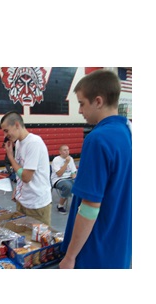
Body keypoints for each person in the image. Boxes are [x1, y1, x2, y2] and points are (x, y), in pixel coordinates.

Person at [59, 69, 132, 269]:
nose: (80, 110)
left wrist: (70, 256)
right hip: (119, 245)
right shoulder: (127, 131)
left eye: (82, 103)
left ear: (98, 101)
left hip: (95, 248)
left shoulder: (97, 139)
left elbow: (90, 208)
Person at [0, 111, 52, 225]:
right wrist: (18, 190)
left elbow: (26, 177)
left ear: (17, 125)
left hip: (36, 205)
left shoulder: (34, 143)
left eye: (6, 131)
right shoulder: (18, 142)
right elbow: (21, 169)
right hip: (22, 201)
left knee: (38, 240)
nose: (5, 135)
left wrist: (10, 157)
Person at [51, 144, 77, 214]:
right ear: (60, 152)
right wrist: (66, 163)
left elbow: (73, 171)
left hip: (69, 178)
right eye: (64, 150)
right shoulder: (56, 160)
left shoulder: (70, 158)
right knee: (68, 186)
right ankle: (60, 205)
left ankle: (78, 204)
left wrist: (75, 178)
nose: (67, 151)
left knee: (81, 184)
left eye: (68, 150)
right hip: (58, 179)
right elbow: (59, 174)